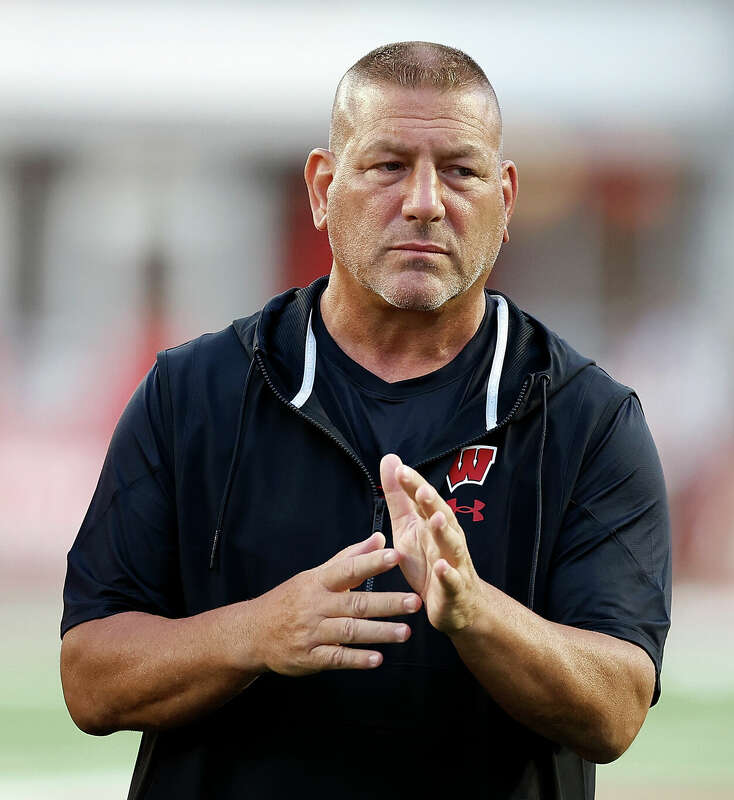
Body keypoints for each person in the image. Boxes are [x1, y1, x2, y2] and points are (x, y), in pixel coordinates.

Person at [59, 42, 670, 800]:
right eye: (387, 166)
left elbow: (616, 712)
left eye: (460, 170)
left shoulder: (589, 419)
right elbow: (90, 677)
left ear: (506, 200)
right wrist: (258, 631)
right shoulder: (192, 394)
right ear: (322, 188)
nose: (424, 201)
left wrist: (476, 614)